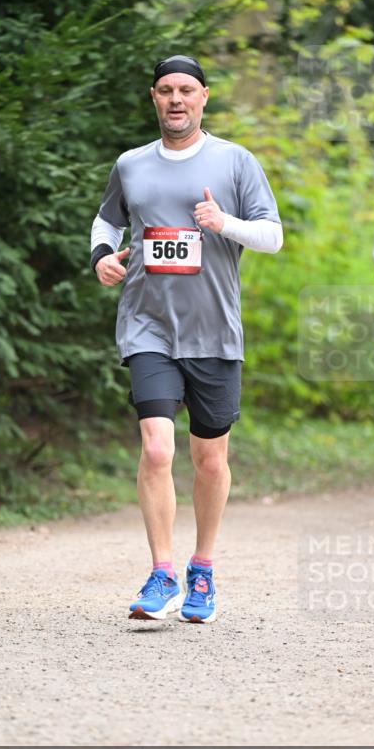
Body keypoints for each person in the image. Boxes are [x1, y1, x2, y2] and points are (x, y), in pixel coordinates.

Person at [90, 54, 282, 622]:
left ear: (204, 97)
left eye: (187, 91)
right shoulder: (130, 165)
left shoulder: (235, 162)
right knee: (155, 447)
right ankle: (161, 573)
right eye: (167, 90)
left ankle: (203, 571)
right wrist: (102, 255)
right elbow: (107, 221)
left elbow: (272, 235)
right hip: (147, 325)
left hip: (215, 333)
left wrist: (225, 224)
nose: (177, 100)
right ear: (154, 97)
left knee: (209, 458)